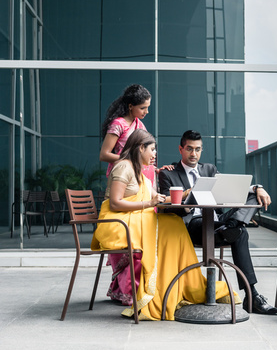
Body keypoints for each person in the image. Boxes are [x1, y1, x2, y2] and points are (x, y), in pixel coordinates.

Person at [91, 129, 232, 321]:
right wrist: (148, 203)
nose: (155, 155)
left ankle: (176, 286)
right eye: (152, 150)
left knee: (175, 224)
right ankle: (163, 289)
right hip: (118, 222)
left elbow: (159, 198)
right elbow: (115, 203)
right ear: (141, 148)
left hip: (134, 218)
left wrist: (185, 193)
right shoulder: (123, 167)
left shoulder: (137, 169)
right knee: (172, 228)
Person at [158, 129, 277, 315]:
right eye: (189, 149)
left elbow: (232, 188)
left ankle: (232, 226)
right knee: (241, 234)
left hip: (218, 222)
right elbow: (166, 203)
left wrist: (258, 188)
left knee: (252, 199)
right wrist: (190, 197)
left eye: (198, 149)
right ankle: (252, 295)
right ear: (180, 149)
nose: (194, 154)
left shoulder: (210, 169)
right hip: (194, 224)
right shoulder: (169, 174)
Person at [99, 84, 172, 187]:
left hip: (141, 176)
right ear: (130, 106)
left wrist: (156, 169)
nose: (147, 112)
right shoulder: (118, 124)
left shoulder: (140, 124)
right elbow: (104, 155)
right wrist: (131, 159)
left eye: (148, 107)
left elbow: (143, 153)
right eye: (143, 108)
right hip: (124, 176)